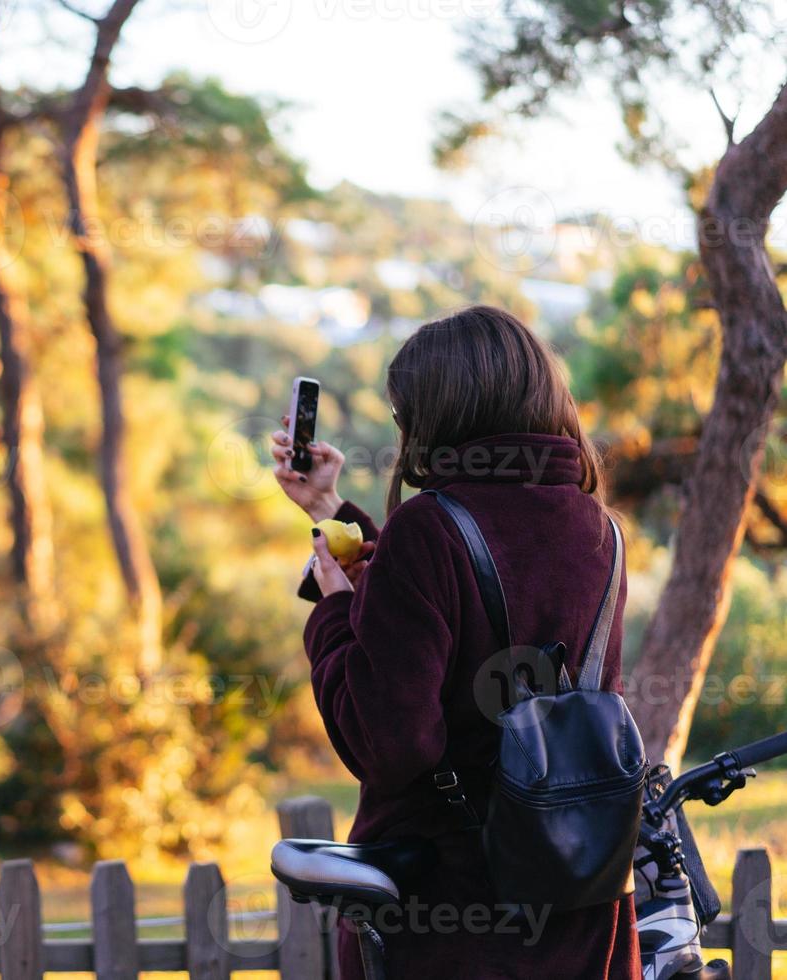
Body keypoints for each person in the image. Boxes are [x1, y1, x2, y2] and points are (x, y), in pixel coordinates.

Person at [269, 305, 642, 979]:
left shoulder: (427, 529)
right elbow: (481, 580)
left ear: (439, 415)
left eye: (402, 415)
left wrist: (332, 615)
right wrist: (332, 513)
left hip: (455, 913)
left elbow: (391, 744)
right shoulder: (599, 529)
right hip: (583, 901)